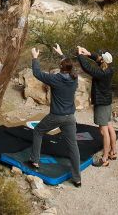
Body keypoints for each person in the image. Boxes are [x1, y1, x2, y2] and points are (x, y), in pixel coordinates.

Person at [29, 43, 82, 187]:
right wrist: (61, 54)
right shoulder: (74, 78)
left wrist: (35, 58)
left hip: (56, 116)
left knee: (38, 131)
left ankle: (35, 160)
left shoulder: (55, 79)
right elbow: (71, 66)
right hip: (70, 117)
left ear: (61, 67)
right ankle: (77, 179)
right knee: (73, 147)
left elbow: (37, 73)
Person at [76, 46, 117, 167]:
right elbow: (98, 59)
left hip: (101, 103)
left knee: (103, 131)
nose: (99, 59)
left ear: (103, 61)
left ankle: (104, 158)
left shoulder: (101, 73)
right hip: (107, 101)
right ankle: (113, 152)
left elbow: (87, 68)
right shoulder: (109, 69)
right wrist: (88, 53)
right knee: (109, 126)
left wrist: (80, 55)